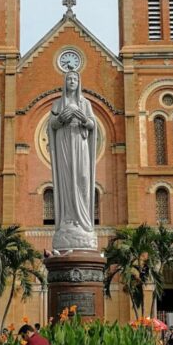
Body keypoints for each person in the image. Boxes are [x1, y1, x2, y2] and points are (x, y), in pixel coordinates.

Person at [48, 70, 98, 252]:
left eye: (74, 79)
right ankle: (68, 220)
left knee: (82, 178)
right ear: (64, 82)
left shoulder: (85, 103)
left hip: (80, 143)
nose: (71, 81)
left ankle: (82, 221)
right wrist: (61, 118)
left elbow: (93, 124)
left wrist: (83, 118)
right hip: (64, 145)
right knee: (67, 181)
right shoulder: (58, 103)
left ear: (79, 82)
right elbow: (51, 124)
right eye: (68, 79)